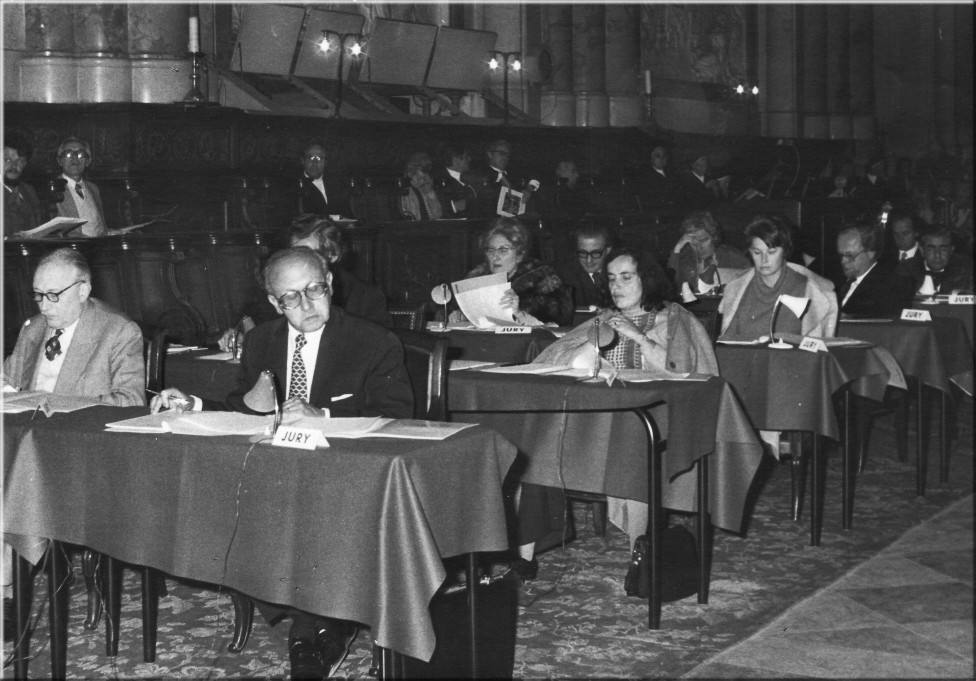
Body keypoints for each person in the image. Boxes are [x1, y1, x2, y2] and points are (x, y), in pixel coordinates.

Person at [152, 247, 412, 681]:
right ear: (273, 303)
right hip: (275, 475)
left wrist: (324, 416)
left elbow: (396, 414)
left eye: (315, 289)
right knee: (226, 510)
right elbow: (246, 409)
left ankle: (311, 630)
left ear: (330, 282)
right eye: (291, 297)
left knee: (300, 518)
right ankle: (324, 618)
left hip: (344, 476)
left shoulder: (372, 341)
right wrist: (192, 404)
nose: (307, 304)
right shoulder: (262, 341)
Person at [532, 248, 719, 548]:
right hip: (600, 413)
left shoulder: (673, 317)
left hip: (656, 415)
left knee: (634, 433)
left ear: (646, 279)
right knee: (536, 430)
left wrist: (638, 336)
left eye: (626, 278)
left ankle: (640, 548)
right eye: (611, 279)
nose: (616, 286)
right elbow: (552, 356)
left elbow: (681, 370)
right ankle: (527, 554)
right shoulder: (605, 318)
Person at [218, 215, 390, 351]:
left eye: (309, 253)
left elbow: (371, 350)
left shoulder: (365, 297)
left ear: (333, 255)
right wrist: (241, 334)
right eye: (295, 253)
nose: (300, 262)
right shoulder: (283, 289)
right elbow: (255, 323)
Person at [3, 247, 145, 406]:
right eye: (39, 294)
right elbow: (6, 379)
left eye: (53, 295)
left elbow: (132, 401)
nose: (44, 307)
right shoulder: (33, 328)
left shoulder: (119, 332)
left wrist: (60, 405)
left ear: (82, 291)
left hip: (80, 427)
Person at [719, 215, 837, 340]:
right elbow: (726, 341)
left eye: (771, 252)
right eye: (757, 252)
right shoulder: (736, 290)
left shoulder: (808, 289)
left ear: (785, 251)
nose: (764, 260)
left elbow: (816, 347)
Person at [456, 216, 573, 326]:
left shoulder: (543, 282)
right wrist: (460, 316)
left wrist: (519, 313)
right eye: (491, 250)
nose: (495, 256)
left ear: (519, 255)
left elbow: (556, 326)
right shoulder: (476, 280)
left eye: (503, 250)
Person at [835, 223, 915, 316]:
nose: (843, 261)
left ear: (870, 253)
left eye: (850, 255)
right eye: (841, 255)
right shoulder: (838, 281)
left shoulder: (891, 286)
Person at [668, 210, 750, 296]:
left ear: (714, 237)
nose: (699, 247)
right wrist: (677, 248)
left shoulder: (732, 256)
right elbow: (670, 285)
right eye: (694, 243)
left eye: (703, 240)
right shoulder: (686, 259)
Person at [54, 137, 108, 237]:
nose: (75, 158)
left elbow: (100, 226)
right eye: (68, 154)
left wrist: (110, 232)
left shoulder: (94, 188)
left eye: (80, 154)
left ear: (88, 161)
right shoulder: (54, 188)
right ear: (60, 160)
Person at [555, 222, 613, 309]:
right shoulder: (564, 278)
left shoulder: (618, 272)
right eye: (583, 253)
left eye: (596, 253)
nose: (589, 260)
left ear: (607, 250)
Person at [903, 226, 974, 295]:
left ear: (951, 250)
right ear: (922, 250)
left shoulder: (968, 271)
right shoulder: (906, 270)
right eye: (931, 249)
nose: (937, 255)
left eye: (943, 249)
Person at [4, 131, 43, 236]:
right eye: (7, 160)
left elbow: (38, 226)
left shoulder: (28, 190)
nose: (14, 166)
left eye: (20, 161)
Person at [298, 141, 350, 217]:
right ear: (303, 161)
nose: (315, 162)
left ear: (325, 162)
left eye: (319, 158)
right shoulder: (294, 185)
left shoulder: (337, 184)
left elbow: (347, 213)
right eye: (310, 157)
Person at [432, 142, 477, 217]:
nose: (470, 159)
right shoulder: (439, 182)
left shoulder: (467, 179)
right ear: (455, 160)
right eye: (466, 157)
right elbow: (440, 210)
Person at [398, 152, 443, 221]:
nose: (425, 176)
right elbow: (411, 216)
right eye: (423, 171)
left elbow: (438, 215)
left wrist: (430, 193)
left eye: (427, 172)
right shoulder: (405, 190)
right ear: (413, 170)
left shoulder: (425, 188)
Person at [640, 144, 678, 209]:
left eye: (664, 156)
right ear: (652, 158)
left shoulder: (673, 174)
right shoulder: (645, 176)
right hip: (657, 211)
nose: (661, 159)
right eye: (658, 156)